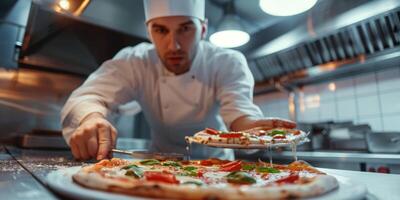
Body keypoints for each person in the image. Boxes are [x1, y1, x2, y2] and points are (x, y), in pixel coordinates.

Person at [61, 0, 296, 161]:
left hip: (219, 169)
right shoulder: (135, 61)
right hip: (160, 165)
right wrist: (92, 117)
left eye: (185, 29)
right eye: (161, 30)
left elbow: (239, 115)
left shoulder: (227, 61)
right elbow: (90, 96)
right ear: (149, 32)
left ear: (203, 30)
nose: (173, 45)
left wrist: (253, 127)